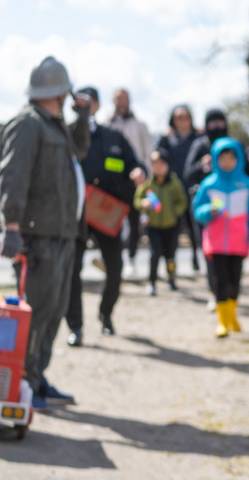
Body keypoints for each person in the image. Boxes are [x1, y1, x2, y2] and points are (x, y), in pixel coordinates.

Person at [0, 56, 90, 409]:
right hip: (37, 239)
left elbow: (79, 150)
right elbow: (12, 177)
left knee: (54, 310)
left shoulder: (56, 126)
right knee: (34, 314)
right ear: (60, 91)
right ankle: (21, 383)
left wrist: (82, 118)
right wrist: (11, 227)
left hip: (63, 234)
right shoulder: (27, 124)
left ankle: (35, 379)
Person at [65, 86, 146, 343]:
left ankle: (106, 314)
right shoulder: (65, 135)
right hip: (76, 214)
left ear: (98, 105)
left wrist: (137, 171)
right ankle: (75, 327)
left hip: (107, 214)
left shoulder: (113, 137)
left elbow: (134, 163)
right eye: (80, 102)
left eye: (90, 101)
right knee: (72, 270)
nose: (85, 106)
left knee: (115, 268)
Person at [192, 137, 249, 337]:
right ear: (216, 159)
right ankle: (222, 322)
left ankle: (232, 315)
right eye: (222, 158)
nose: (227, 162)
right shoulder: (209, 184)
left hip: (238, 243)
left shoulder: (247, 185)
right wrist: (208, 210)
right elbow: (197, 211)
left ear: (238, 159)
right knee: (220, 281)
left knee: (235, 282)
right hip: (215, 243)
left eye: (231, 158)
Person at [106, 87, 152, 276]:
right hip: (112, 182)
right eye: (118, 97)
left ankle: (131, 258)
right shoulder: (106, 124)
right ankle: (112, 259)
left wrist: (144, 174)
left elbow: (148, 153)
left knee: (134, 221)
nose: (122, 101)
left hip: (134, 181)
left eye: (125, 97)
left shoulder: (139, 125)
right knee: (111, 221)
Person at [135, 148, 188, 296]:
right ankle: (152, 282)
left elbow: (182, 202)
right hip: (153, 226)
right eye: (155, 164)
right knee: (155, 253)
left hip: (171, 226)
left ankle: (171, 278)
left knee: (170, 255)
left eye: (161, 164)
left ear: (167, 165)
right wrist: (143, 203)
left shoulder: (175, 183)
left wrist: (174, 211)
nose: (158, 168)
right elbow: (137, 200)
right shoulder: (147, 183)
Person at [156, 104, 202, 272]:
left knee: (193, 228)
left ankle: (196, 257)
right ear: (173, 120)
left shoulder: (198, 138)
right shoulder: (167, 139)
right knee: (172, 231)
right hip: (173, 190)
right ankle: (171, 265)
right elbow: (158, 157)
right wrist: (163, 138)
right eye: (179, 117)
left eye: (186, 117)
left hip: (193, 189)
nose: (183, 121)